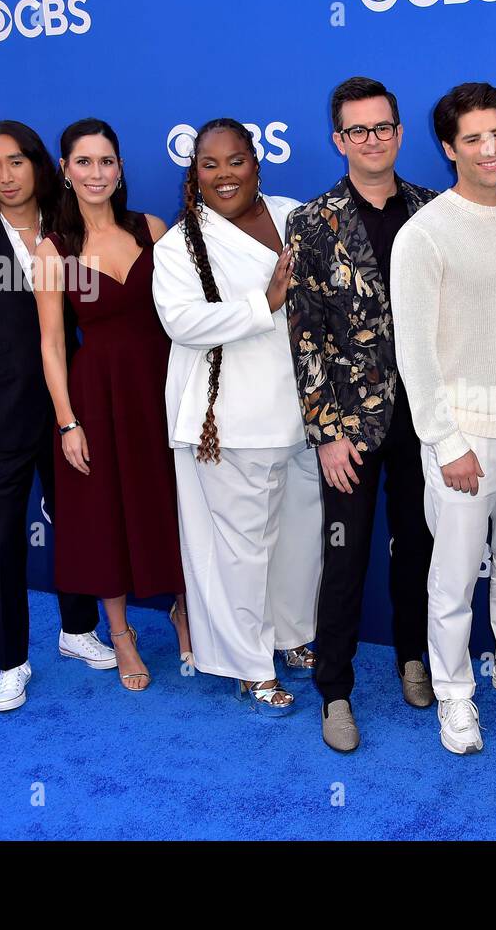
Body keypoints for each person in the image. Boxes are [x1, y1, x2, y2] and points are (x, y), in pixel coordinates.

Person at [391, 82, 496, 755]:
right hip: (461, 433)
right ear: (449, 149)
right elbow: (415, 353)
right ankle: (455, 693)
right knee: (453, 576)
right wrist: (446, 441)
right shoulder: (423, 234)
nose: (490, 149)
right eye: (473, 139)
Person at [0, 120, 114, 712]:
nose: (6, 176)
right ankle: (11, 659)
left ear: (39, 164)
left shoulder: (71, 227)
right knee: (3, 539)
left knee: (80, 523)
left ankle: (77, 628)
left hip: (73, 407)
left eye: (15, 161)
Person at [284, 78, 437, 750]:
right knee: (343, 562)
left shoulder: (436, 211)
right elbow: (305, 333)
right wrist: (325, 433)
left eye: (383, 128)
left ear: (399, 134)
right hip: (349, 425)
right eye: (358, 131)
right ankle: (335, 692)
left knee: (419, 549)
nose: (372, 140)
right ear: (338, 140)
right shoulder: (311, 224)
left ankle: (413, 658)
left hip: (427, 419)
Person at [153, 118, 322, 714]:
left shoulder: (294, 214)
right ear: (195, 173)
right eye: (209, 164)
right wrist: (263, 304)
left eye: (236, 160)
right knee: (241, 549)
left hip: (303, 413)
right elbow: (181, 322)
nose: (224, 174)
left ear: (258, 161)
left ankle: (293, 637)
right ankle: (250, 664)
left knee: (299, 539)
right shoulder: (179, 245)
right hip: (227, 420)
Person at [32, 118, 191, 693]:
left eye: (106, 161)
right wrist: (67, 420)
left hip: (163, 385)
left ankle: (184, 610)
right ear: (65, 171)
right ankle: (120, 633)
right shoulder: (54, 249)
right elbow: (51, 343)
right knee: (104, 512)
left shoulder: (151, 227)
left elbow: (190, 310)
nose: (96, 173)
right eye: (84, 162)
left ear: (120, 169)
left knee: (174, 501)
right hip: (97, 393)